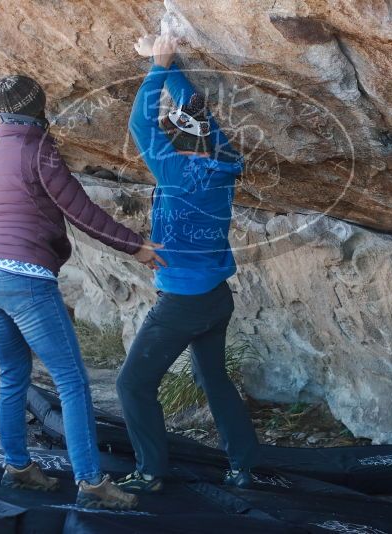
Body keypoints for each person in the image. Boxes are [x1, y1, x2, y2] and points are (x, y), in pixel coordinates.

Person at [0, 74, 165, 510]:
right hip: (21, 276)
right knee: (72, 382)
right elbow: (82, 212)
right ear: (39, 107)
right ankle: (92, 482)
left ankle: (19, 467)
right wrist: (137, 247)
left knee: (13, 375)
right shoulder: (38, 152)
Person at [116, 35, 260, 494]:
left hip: (183, 302)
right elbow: (198, 113)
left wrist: (156, 68)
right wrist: (166, 60)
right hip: (217, 298)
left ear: (174, 145)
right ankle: (244, 465)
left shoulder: (175, 172)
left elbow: (141, 123)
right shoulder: (225, 162)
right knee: (213, 378)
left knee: (132, 385)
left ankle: (151, 473)